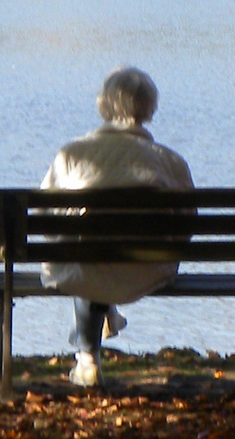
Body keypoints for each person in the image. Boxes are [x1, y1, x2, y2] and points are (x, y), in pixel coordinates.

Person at [41, 67, 194, 388]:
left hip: (87, 264)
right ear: (150, 108)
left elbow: (45, 216)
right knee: (95, 255)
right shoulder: (170, 161)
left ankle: (87, 360)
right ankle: (94, 341)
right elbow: (187, 223)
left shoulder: (73, 154)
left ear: (104, 105)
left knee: (84, 254)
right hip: (149, 268)